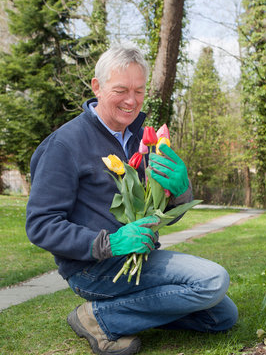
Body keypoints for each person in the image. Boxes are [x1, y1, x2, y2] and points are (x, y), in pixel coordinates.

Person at [26, 44, 238, 355]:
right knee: (212, 280)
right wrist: (109, 243)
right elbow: (40, 225)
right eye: (121, 90)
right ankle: (99, 319)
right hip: (93, 269)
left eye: (139, 91)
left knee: (221, 316)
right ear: (97, 87)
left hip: (140, 260)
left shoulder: (141, 139)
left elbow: (155, 212)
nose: (131, 101)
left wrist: (180, 192)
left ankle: (121, 313)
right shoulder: (65, 144)